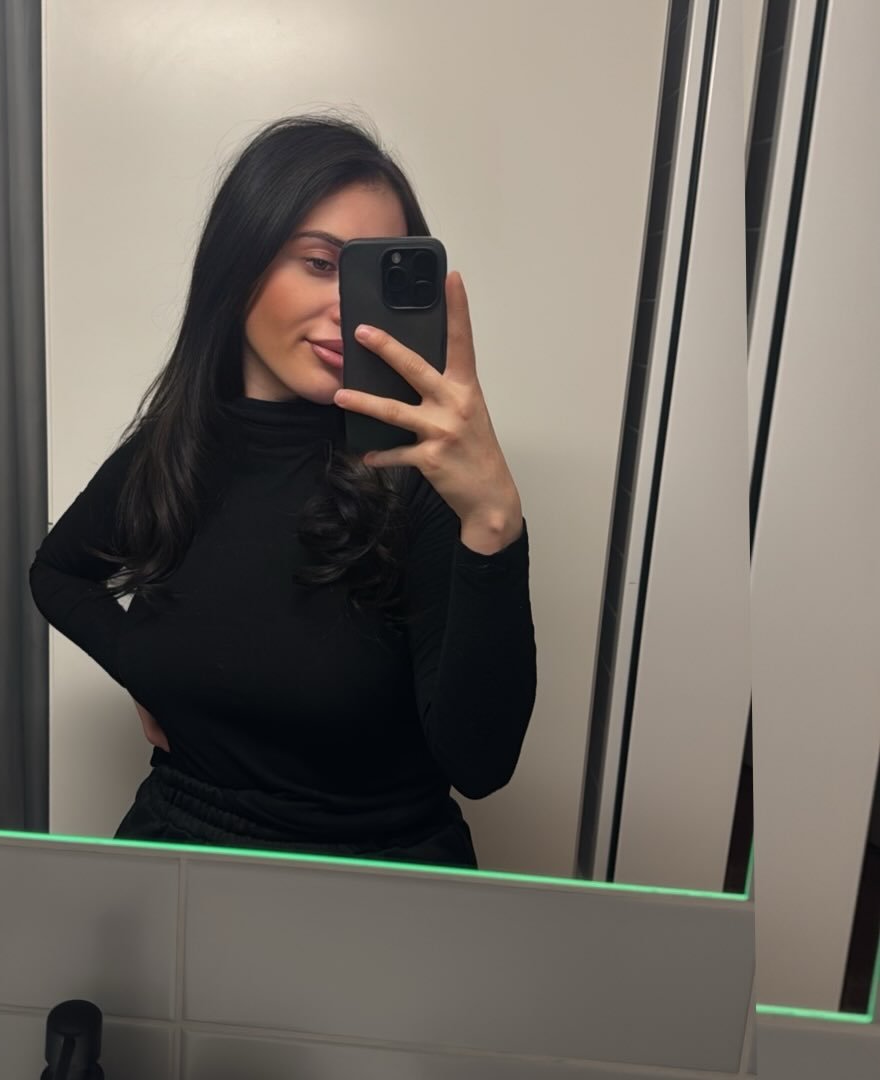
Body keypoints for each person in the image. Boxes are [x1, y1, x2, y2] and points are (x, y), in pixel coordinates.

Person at [28, 113, 536, 870]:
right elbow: (57, 573)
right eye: (321, 263)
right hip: (178, 851)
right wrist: (144, 665)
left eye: (371, 277)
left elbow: (481, 764)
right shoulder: (175, 449)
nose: (349, 310)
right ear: (239, 264)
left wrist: (495, 521)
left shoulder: (418, 473)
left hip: (379, 875)